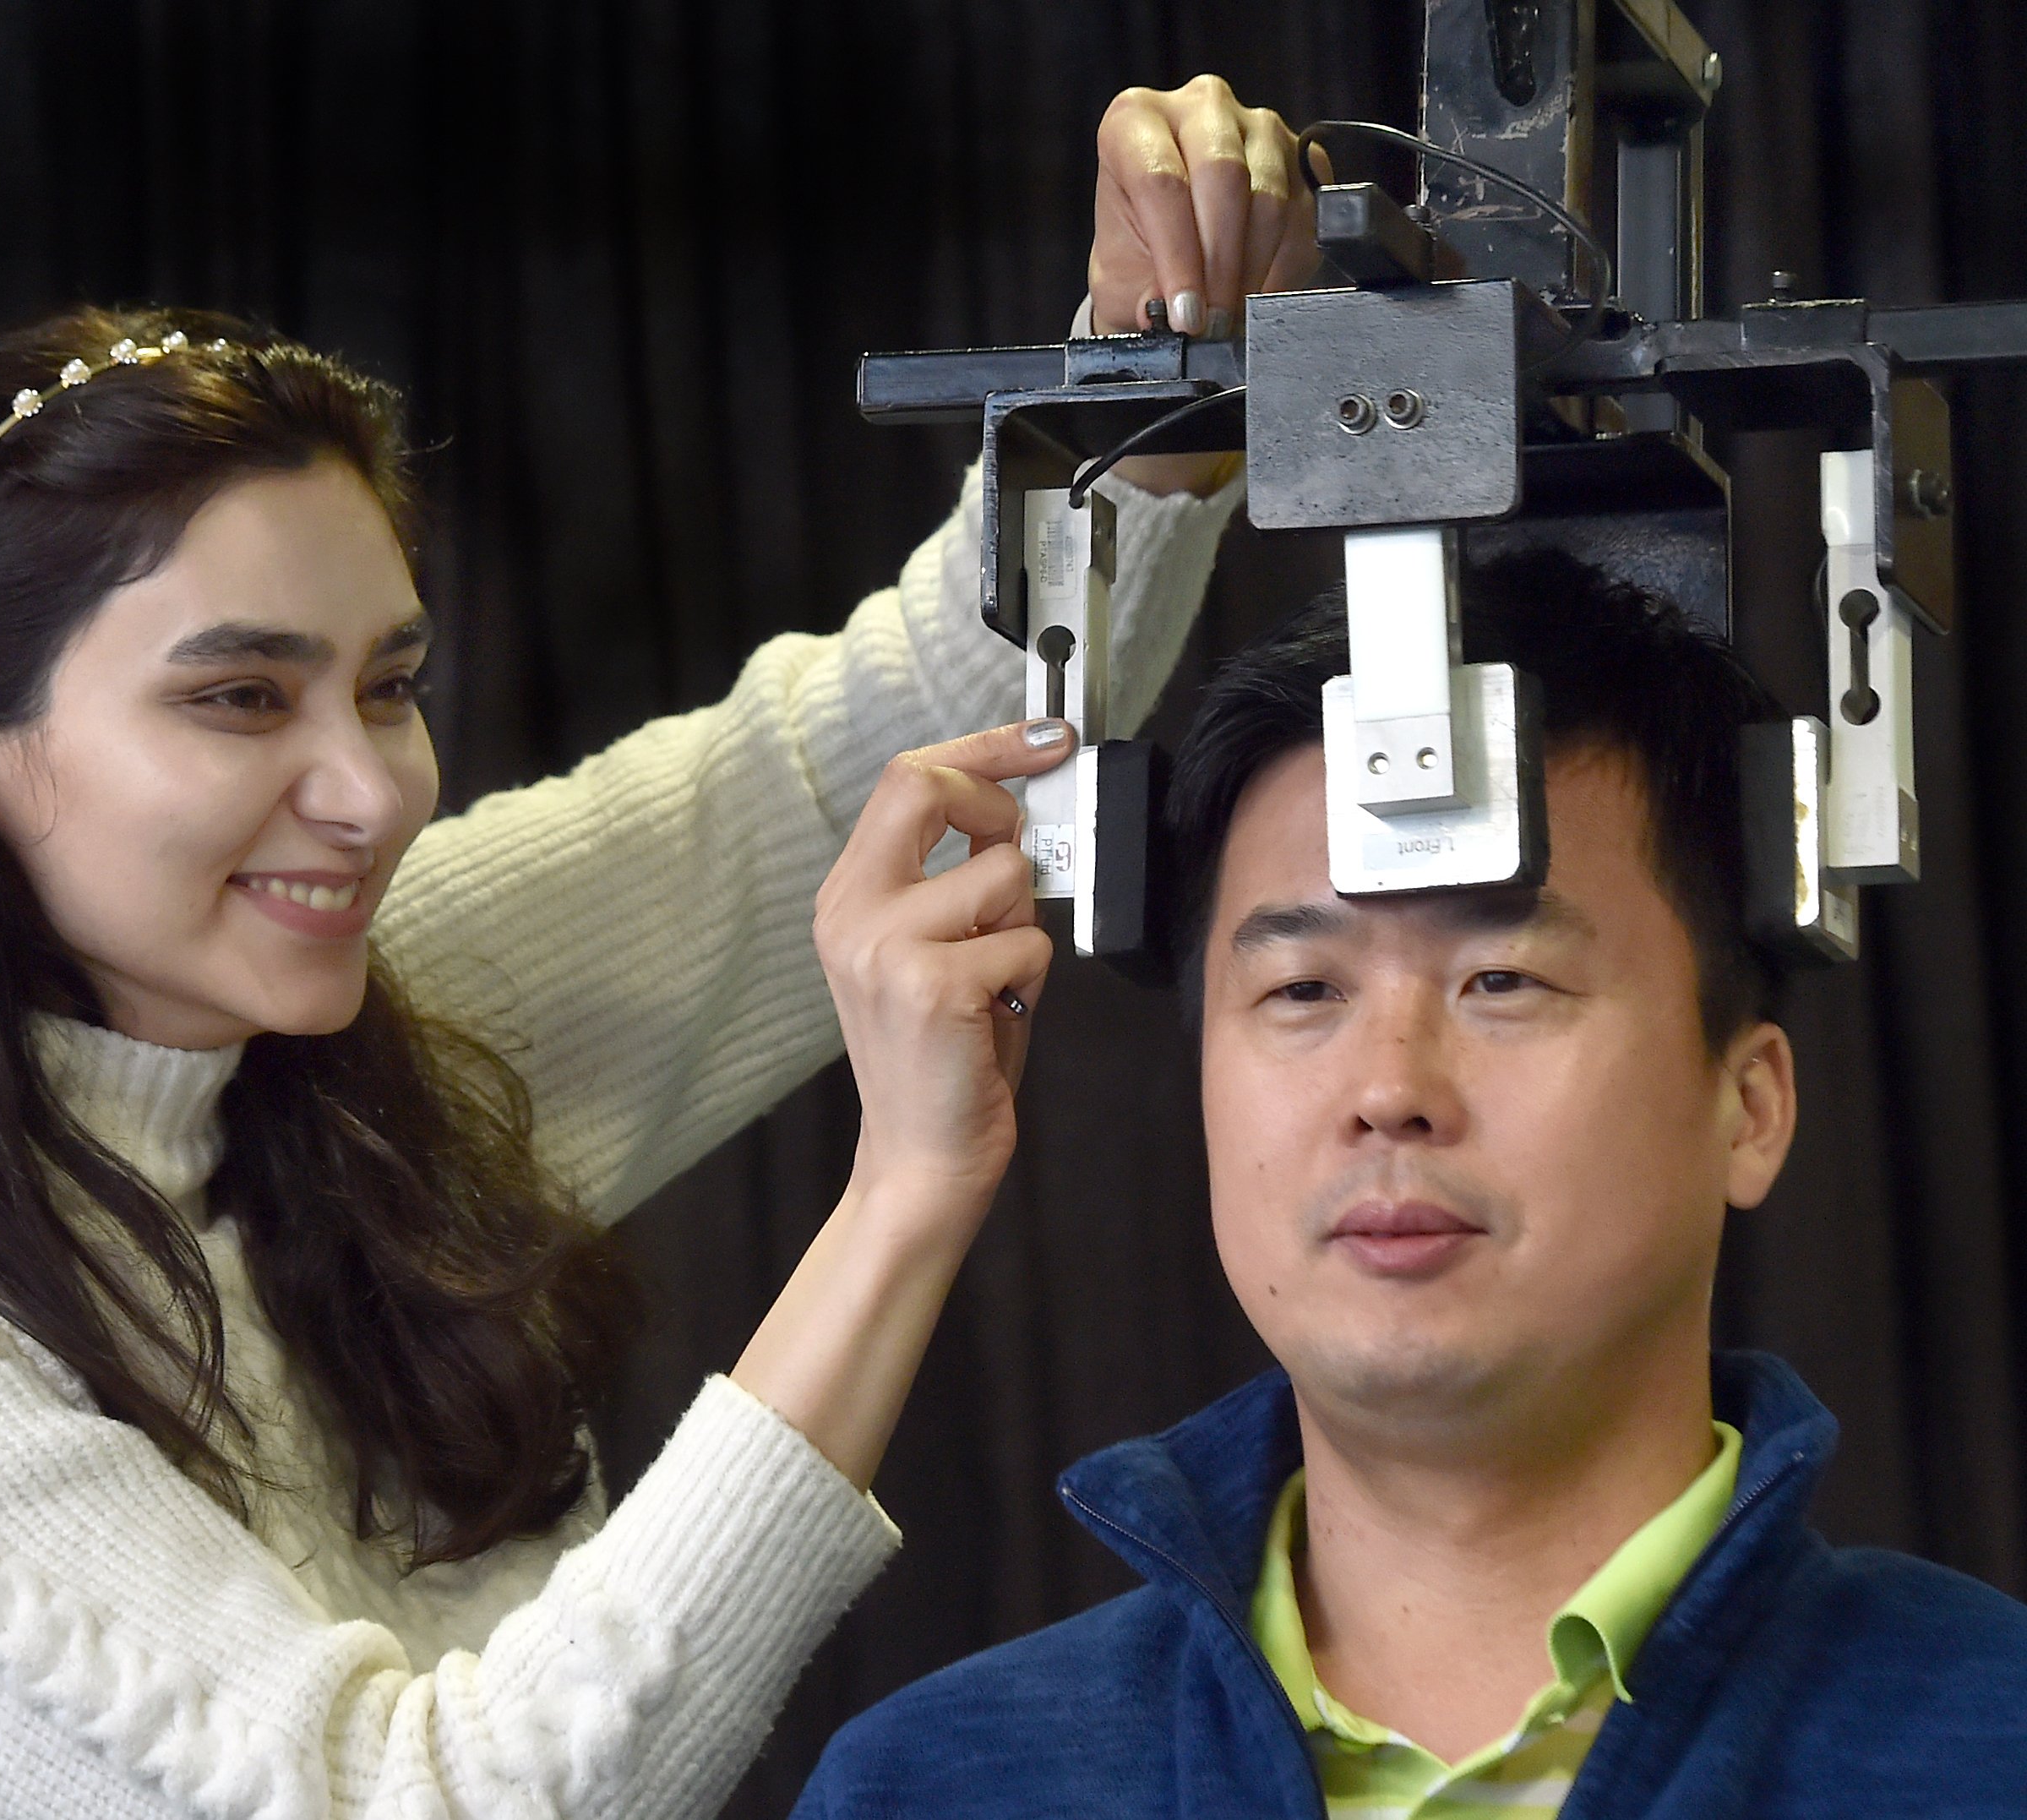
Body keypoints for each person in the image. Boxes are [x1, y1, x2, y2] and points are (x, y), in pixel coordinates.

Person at [0, 77, 1317, 1820]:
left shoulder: (358, 1031)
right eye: (238, 698)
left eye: (387, 685)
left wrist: (1159, 364)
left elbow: (919, 738)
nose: (369, 793)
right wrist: (901, 1198)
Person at [796, 551, 2027, 1819]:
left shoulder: (1991, 1746)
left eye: (1502, 979)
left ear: (1750, 1105)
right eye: (1303, 991)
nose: (1389, 1085)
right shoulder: (936, 1786)